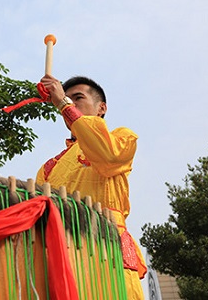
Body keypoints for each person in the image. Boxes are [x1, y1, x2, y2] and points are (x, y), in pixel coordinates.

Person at [35, 74, 147, 300]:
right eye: (66, 99)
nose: (70, 103)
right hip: (63, 258)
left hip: (109, 252)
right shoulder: (49, 167)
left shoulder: (121, 138)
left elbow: (108, 156)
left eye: (78, 98)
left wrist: (64, 105)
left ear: (101, 108)